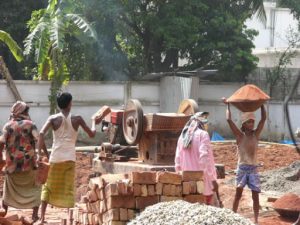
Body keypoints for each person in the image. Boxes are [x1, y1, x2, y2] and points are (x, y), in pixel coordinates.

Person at [37, 92, 97, 224]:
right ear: (70, 103)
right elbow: (92, 134)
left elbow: (41, 133)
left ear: (59, 105)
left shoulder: (53, 119)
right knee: (68, 188)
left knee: (48, 187)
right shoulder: (78, 119)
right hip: (69, 158)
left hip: (55, 157)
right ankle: (69, 220)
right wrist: (94, 122)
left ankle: (42, 219)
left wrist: (39, 154)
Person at [0, 101, 44, 222]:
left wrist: (1, 158)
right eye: (26, 111)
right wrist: (41, 153)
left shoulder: (8, 125)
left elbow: (1, 143)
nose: (27, 113)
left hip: (12, 166)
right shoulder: (30, 124)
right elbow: (39, 138)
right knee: (36, 188)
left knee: (8, 190)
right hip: (29, 165)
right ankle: (35, 215)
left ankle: (3, 213)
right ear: (22, 112)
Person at [224, 101, 266, 225]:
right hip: (242, 168)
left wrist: (261, 103)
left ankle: (256, 220)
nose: (252, 124)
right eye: (249, 121)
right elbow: (228, 119)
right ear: (244, 123)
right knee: (238, 194)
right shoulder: (239, 136)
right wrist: (228, 104)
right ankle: (232, 218)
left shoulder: (256, 134)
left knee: (255, 196)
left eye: (253, 121)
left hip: (253, 169)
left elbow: (263, 119)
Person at [175, 112, 219, 206]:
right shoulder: (203, 135)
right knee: (206, 210)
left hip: (186, 180)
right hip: (203, 180)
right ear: (202, 123)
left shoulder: (182, 137)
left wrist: (179, 176)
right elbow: (204, 159)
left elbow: (177, 160)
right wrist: (212, 179)